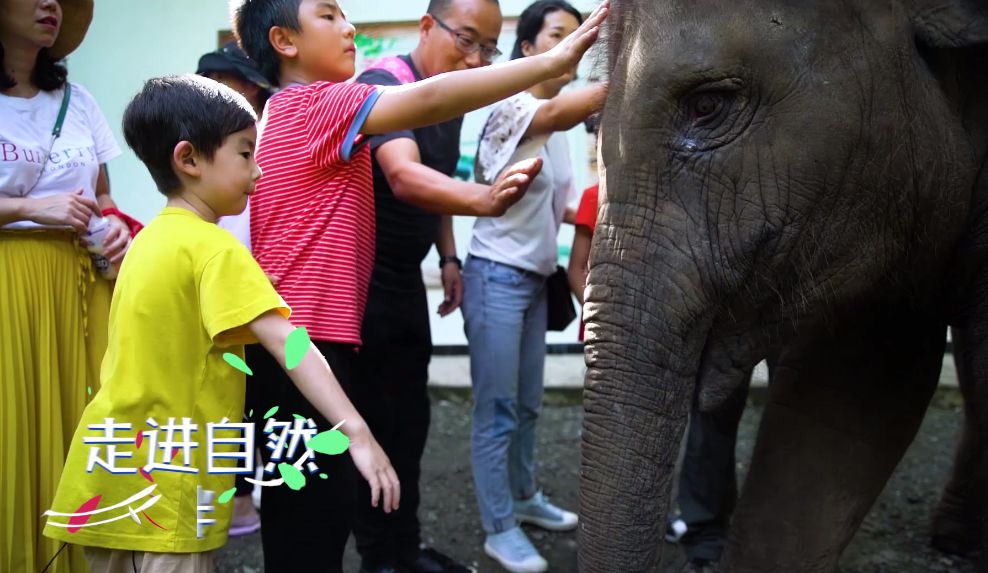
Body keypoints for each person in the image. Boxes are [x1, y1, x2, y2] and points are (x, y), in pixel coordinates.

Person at [231, 0, 608, 571]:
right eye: (329, 16)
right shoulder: (316, 104)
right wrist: (552, 62)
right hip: (306, 346)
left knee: (309, 512)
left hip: (298, 345)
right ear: (284, 41)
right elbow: (429, 103)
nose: (350, 26)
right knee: (312, 518)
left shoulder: (287, 111)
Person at [43, 74, 400, 572]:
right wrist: (358, 434)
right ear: (188, 159)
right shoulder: (216, 249)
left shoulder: (147, 240)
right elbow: (290, 345)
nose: (259, 170)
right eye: (246, 153)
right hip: (171, 485)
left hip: (107, 472)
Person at [350, 0, 517, 571]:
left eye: (487, 49)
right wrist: (486, 202)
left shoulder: (449, 96)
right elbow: (403, 175)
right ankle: (380, 556)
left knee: (412, 419)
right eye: (466, 40)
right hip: (360, 286)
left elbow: (437, 179)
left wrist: (448, 255)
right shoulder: (386, 84)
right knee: (376, 420)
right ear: (427, 26)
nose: (475, 59)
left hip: (402, 280)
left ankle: (402, 545)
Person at [461, 1, 606, 571]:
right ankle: (499, 528)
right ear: (526, 50)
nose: (573, 48)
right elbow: (567, 112)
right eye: (558, 37)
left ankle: (523, 499)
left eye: (579, 39)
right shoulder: (514, 107)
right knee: (495, 410)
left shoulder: (558, 126)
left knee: (527, 406)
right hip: (494, 275)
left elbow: (560, 205)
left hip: (533, 278)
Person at [0, 1, 129, 571]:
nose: (50, 4)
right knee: (15, 427)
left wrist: (117, 226)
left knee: (89, 425)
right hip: (10, 282)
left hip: (82, 285)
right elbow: (44, 205)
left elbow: (103, 197)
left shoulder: (80, 102)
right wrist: (29, 207)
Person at [196, 39, 274, 538]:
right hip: (214, 280)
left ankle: (242, 493)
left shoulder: (264, 135)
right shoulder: (203, 139)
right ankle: (235, 495)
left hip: (255, 282)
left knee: (252, 390)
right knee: (225, 391)